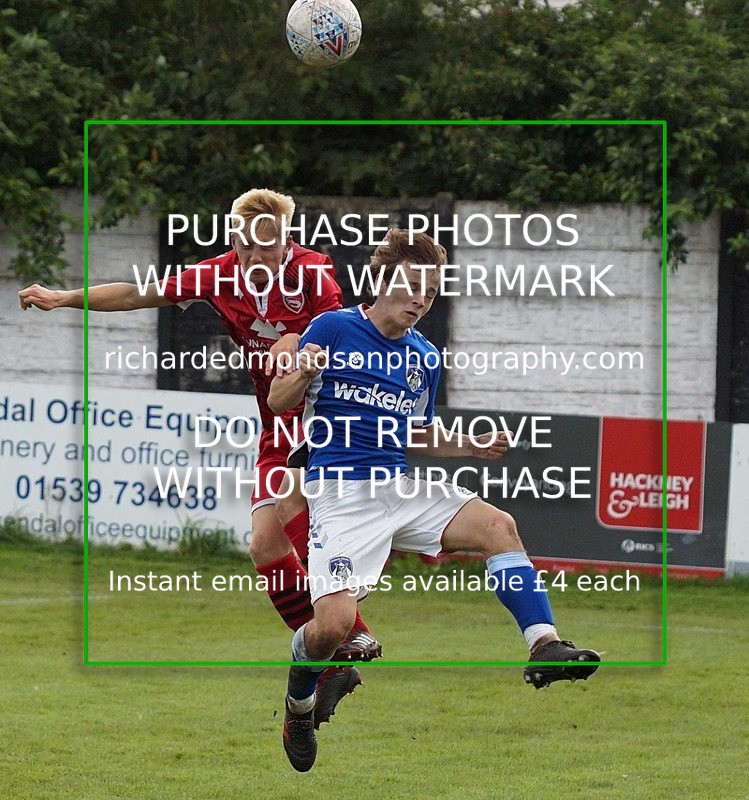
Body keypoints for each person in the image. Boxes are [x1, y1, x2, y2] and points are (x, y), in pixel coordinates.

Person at [18, 188, 382, 725]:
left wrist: (297, 342)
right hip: (274, 422)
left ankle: (352, 627)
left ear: (286, 243)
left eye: (271, 246)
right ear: (236, 242)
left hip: (322, 417)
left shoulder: (312, 271)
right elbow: (139, 293)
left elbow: (342, 331)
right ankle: (332, 665)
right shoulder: (217, 275)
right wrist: (65, 297)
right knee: (263, 546)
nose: (259, 258)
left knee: (287, 509)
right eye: (249, 247)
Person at [268, 229, 600, 772]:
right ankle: (299, 707)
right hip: (340, 497)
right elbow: (282, 401)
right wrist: (302, 369)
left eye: (431, 290)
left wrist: (467, 445)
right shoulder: (332, 328)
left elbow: (414, 432)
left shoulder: (423, 357)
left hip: (399, 490)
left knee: (499, 527)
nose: (422, 299)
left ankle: (545, 645)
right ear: (383, 281)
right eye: (413, 285)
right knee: (331, 627)